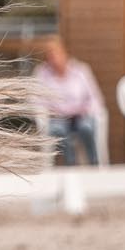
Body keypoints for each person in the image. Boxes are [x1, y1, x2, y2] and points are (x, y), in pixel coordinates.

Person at [35, 37, 104, 166]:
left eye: (56, 54)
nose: (54, 59)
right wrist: (51, 111)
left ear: (64, 53)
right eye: (49, 56)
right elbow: (37, 100)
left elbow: (94, 98)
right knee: (59, 131)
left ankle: (94, 163)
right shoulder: (43, 73)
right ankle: (71, 165)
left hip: (80, 116)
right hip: (57, 117)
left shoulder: (80, 71)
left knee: (87, 128)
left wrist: (86, 110)